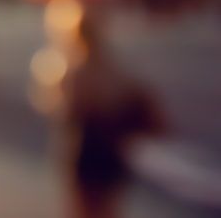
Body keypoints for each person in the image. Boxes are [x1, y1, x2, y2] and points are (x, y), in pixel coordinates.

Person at [62, 15, 167, 218]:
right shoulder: (116, 67)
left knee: (84, 209)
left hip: (89, 146)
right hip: (113, 149)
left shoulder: (77, 71)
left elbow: (70, 112)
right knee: (109, 208)